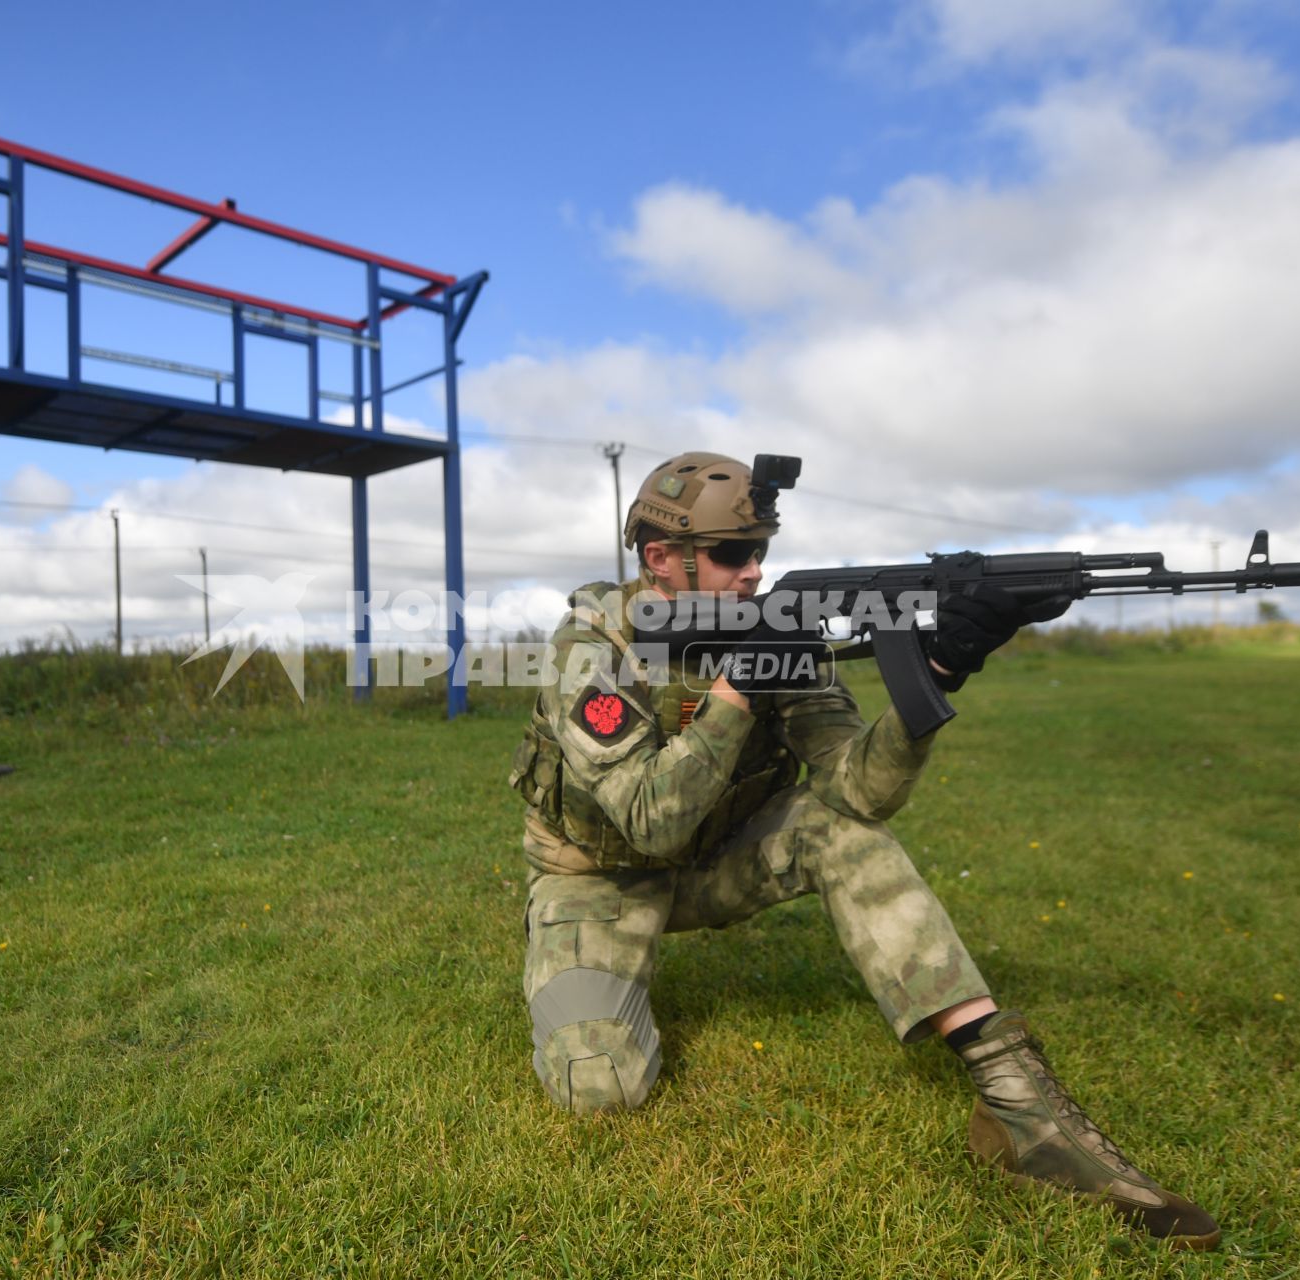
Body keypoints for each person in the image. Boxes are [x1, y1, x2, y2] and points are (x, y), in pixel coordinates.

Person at [507, 451, 1220, 1250]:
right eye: (733, 554)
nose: (753, 573)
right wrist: (743, 686)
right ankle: (563, 955)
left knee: (836, 829)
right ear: (660, 558)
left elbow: (859, 793)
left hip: (713, 868)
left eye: (761, 553)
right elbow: (650, 823)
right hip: (599, 879)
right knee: (600, 1092)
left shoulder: (775, 635)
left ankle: (1021, 1110)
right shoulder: (591, 645)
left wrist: (941, 670)